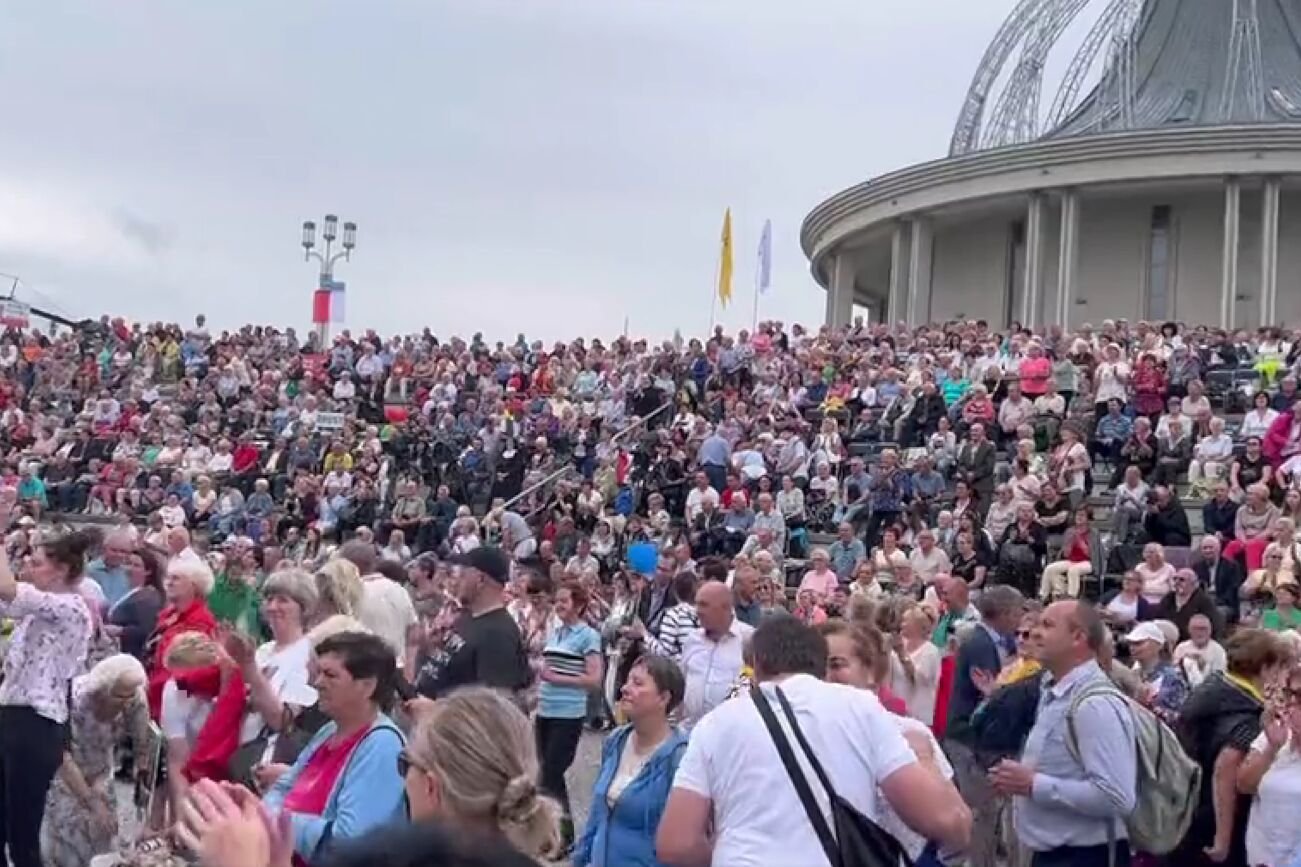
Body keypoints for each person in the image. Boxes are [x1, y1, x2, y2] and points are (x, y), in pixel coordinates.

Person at [656, 615, 972, 867]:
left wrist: (730, 853)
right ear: (819, 664)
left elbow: (676, 844)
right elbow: (941, 820)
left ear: (757, 665)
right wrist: (924, 759)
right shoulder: (859, 707)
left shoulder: (716, 723)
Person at [989, 600, 1138, 867]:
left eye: (1047, 625)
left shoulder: (1095, 704)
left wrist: (1033, 784)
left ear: (1078, 637)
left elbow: (1116, 797)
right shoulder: (1053, 691)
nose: (1034, 632)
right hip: (1055, 853)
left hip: (1085, 856)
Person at [819, 619, 956, 867]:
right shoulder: (798, 734)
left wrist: (924, 760)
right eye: (817, 667)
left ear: (871, 672)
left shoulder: (908, 732)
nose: (826, 676)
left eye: (837, 665)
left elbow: (955, 824)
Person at [261, 631, 406, 864]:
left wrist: (278, 820)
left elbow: (349, 842)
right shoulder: (329, 730)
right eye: (319, 673)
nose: (317, 683)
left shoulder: (382, 746)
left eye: (330, 675)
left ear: (367, 686)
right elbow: (282, 787)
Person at [0, 525, 96, 867]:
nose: (29, 565)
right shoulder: (35, 612)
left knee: (22, 831)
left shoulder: (71, 608)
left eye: (37, 562)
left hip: (36, 724)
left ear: (62, 570)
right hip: (12, 717)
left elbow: (7, 588)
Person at [1176, 629, 1290, 867]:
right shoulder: (1247, 710)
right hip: (1212, 818)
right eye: (1279, 667)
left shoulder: (1212, 688)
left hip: (1184, 808)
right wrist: (1223, 839)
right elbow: (1225, 769)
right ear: (1266, 667)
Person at [576, 655, 688, 867]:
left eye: (637, 683)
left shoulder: (679, 757)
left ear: (663, 698)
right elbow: (597, 813)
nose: (625, 689)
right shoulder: (615, 741)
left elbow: (681, 839)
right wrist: (580, 858)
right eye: (627, 681)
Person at [40, 654, 149, 867]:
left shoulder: (135, 698)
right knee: (65, 839)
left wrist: (142, 799)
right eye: (119, 697)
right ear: (102, 690)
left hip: (100, 770)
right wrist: (91, 801)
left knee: (103, 832)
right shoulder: (73, 698)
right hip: (66, 774)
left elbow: (141, 748)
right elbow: (62, 755)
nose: (126, 702)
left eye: (130, 695)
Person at [944, 585, 1024, 867]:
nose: (1020, 619)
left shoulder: (1001, 642)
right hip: (967, 738)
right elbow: (990, 696)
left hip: (981, 740)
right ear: (1002, 613)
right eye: (1017, 612)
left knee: (989, 811)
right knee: (980, 811)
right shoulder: (980, 644)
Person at [535, 580, 603, 851]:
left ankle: (564, 836)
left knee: (552, 772)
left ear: (579, 604)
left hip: (569, 712)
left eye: (564, 601)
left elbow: (594, 679)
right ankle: (554, 834)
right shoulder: (556, 632)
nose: (559, 606)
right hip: (545, 709)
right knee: (546, 774)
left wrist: (557, 678)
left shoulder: (588, 636)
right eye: (557, 601)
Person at [413, 546, 530, 702]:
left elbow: (492, 705)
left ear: (480, 579)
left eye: (462, 575)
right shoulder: (467, 618)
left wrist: (434, 710)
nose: (456, 581)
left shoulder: (497, 633)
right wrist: (430, 647)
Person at [1236, 663, 1301, 867]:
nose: (1291, 705)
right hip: (1261, 858)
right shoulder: (1275, 735)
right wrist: (1271, 749)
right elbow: (1244, 785)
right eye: (1289, 694)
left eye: (1300, 697)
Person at [677, 581, 753, 729]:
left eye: (704, 605)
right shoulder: (692, 640)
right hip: (690, 732)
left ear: (725, 608)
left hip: (730, 735)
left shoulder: (749, 640)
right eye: (697, 604)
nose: (697, 611)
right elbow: (681, 687)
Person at [105, 543, 166, 660]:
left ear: (148, 571)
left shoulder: (148, 597)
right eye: (128, 564)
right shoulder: (130, 591)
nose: (130, 569)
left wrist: (120, 631)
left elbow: (147, 630)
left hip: (133, 655)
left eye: (136, 565)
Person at [1124, 620, 1188, 726]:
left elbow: (1181, 716)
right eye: (1131, 644)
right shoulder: (1132, 675)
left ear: (1158, 646)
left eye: (1139, 643)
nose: (1133, 648)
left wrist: (1154, 709)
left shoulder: (1172, 677)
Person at [890, 604, 943, 727]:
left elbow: (918, 679)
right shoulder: (896, 647)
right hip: (896, 714)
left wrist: (902, 655)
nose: (901, 625)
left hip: (919, 717)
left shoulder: (930, 651)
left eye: (905, 621)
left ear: (918, 626)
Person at [1173, 614, 1227, 688]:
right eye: (1195, 629)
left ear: (1210, 631)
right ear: (1189, 630)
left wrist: (1202, 666)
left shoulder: (1218, 651)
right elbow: (1175, 673)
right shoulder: (1181, 648)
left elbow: (1219, 678)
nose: (1199, 633)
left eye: (1203, 629)